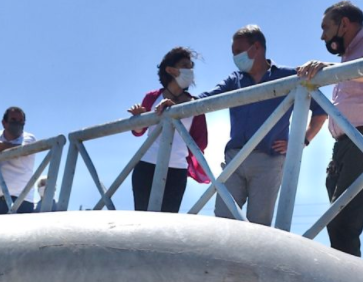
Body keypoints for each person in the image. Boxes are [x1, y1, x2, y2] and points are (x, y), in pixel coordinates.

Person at [198, 25, 329, 226]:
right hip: (235, 158)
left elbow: (321, 111)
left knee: (259, 227)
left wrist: (301, 141)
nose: (234, 57)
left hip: (268, 162)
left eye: (237, 52)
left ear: (256, 48)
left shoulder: (290, 76)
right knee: (222, 222)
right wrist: (179, 101)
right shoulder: (235, 79)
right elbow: (206, 98)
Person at [299, 1, 363, 257]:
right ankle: (351, 279)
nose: (322, 36)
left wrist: (332, 70)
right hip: (344, 143)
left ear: (344, 23)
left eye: (326, 27)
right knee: (339, 219)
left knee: (342, 218)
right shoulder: (346, 57)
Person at [127, 47, 209, 213]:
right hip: (146, 166)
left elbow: (200, 142)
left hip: (177, 171)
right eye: (186, 65)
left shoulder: (195, 104)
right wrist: (138, 118)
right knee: (142, 220)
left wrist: (176, 110)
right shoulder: (152, 97)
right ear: (171, 70)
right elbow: (138, 131)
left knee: (166, 225)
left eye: (191, 66)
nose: (190, 70)